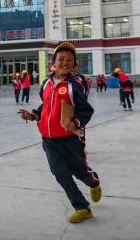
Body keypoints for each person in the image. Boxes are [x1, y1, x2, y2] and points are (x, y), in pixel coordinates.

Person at [18, 42, 101, 224]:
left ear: (73, 65)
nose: (65, 62)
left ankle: (94, 182)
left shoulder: (74, 85)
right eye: (61, 59)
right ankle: (82, 207)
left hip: (70, 139)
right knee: (60, 173)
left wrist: (75, 122)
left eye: (69, 60)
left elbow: (85, 110)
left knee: (80, 171)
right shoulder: (46, 83)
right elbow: (46, 106)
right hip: (48, 139)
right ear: (53, 63)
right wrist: (34, 115)